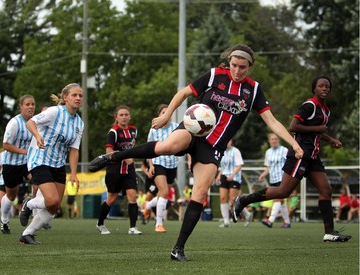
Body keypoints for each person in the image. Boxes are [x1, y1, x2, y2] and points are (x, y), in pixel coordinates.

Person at [91, 44, 304, 261]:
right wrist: (167, 116)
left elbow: (272, 121)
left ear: (250, 67)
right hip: (192, 131)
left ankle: (178, 249)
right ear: (229, 62)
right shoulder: (214, 75)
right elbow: (184, 92)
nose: (237, 71)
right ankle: (111, 157)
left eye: (242, 67)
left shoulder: (254, 90)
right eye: (234, 65)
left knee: (200, 193)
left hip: (213, 147)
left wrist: (293, 145)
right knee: (166, 146)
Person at [233, 76, 352, 243]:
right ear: (314, 89)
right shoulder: (309, 105)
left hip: (313, 156)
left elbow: (317, 132)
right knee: (283, 192)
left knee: (326, 190)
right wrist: (318, 128)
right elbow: (293, 126)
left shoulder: (326, 110)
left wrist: (330, 140)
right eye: (321, 86)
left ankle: (330, 232)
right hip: (300, 154)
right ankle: (244, 200)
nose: (325, 88)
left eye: (327, 86)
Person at [18, 83, 84, 244]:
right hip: (40, 159)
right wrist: (37, 136)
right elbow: (30, 123)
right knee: (52, 200)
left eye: (80, 96)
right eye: (74, 95)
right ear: (65, 97)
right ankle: (29, 204)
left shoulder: (79, 123)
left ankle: (27, 234)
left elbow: (74, 150)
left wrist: (74, 173)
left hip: (58, 164)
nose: (78, 98)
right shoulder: (54, 112)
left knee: (54, 207)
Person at [95, 105, 142, 235]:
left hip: (129, 170)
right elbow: (108, 152)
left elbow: (131, 147)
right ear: (116, 117)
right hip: (114, 170)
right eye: (121, 115)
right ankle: (100, 223)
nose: (124, 117)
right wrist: (124, 157)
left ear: (130, 116)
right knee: (111, 199)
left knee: (132, 196)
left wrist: (131, 155)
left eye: (126, 114)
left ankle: (133, 227)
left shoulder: (133, 130)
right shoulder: (113, 132)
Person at [0, 95, 35, 234]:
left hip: (27, 163)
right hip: (11, 164)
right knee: (11, 196)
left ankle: (32, 211)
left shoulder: (35, 122)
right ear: (21, 106)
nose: (31, 107)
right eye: (27, 104)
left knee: (40, 182)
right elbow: (6, 145)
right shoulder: (14, 123)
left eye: (33, 104)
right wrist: (25, 152)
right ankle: (4, 219)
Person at [145, 104, 179, 233]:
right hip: (158, 162)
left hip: (172, 164)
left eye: (168, 112)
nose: (166, 115)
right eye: (163, 112)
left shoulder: (176, 127)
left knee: (162, 194)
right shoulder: (154, 129)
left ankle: (148, 205)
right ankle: (158, 224)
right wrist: (151, 165)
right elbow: (149, 149)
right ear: (159, 115)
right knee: (164, 192)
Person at [215, 139, 251, 227]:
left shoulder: (235, 151)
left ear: (231, 142)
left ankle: (247, 214)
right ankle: (226, 222)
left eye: (229, 141)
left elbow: (239, 166)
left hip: (234, 178)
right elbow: (223, 166)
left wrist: (232, 175)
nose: (227, 142)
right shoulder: (222, 151)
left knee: (233, 200)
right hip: (224, 176)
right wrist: (219, 175)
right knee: (223, 198)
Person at [258, 133, 291, 228]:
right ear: (269, 141)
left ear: (279, 140)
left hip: (282, 178)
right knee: (281, 201)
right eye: (272, 139)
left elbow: (290, 163)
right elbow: (268, 167)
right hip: (273, 179)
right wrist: (263, 175)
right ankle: (287, 222)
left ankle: (270, 220)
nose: (274, 140)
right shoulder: (268, 152)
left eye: (275, 139)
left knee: (277, 199)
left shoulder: (284, 150)